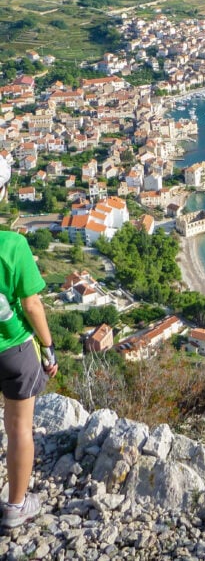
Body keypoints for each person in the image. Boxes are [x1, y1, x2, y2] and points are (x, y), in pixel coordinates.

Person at [0, 156, 58, 529]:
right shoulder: (13, 245)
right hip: (15, 351)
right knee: (19, 429)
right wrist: (48, 346)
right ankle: (16, 508)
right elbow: (32, 304)